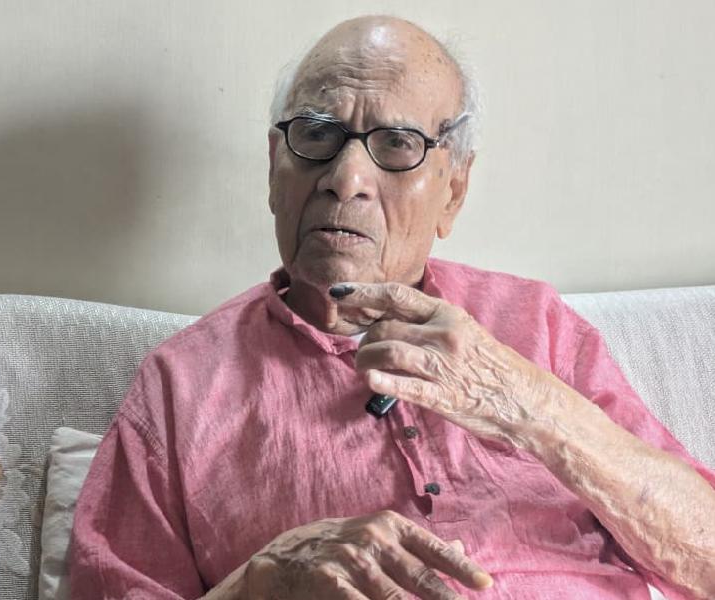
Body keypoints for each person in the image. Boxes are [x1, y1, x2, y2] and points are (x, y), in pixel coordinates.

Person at [70, 15, 715, 600]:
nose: (346, 177)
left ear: (454, 191)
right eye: (317, 134)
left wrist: (529, 403)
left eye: (398, 144)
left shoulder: (535, 325)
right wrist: (264, 580)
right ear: (274, 169)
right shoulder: (179, 387)